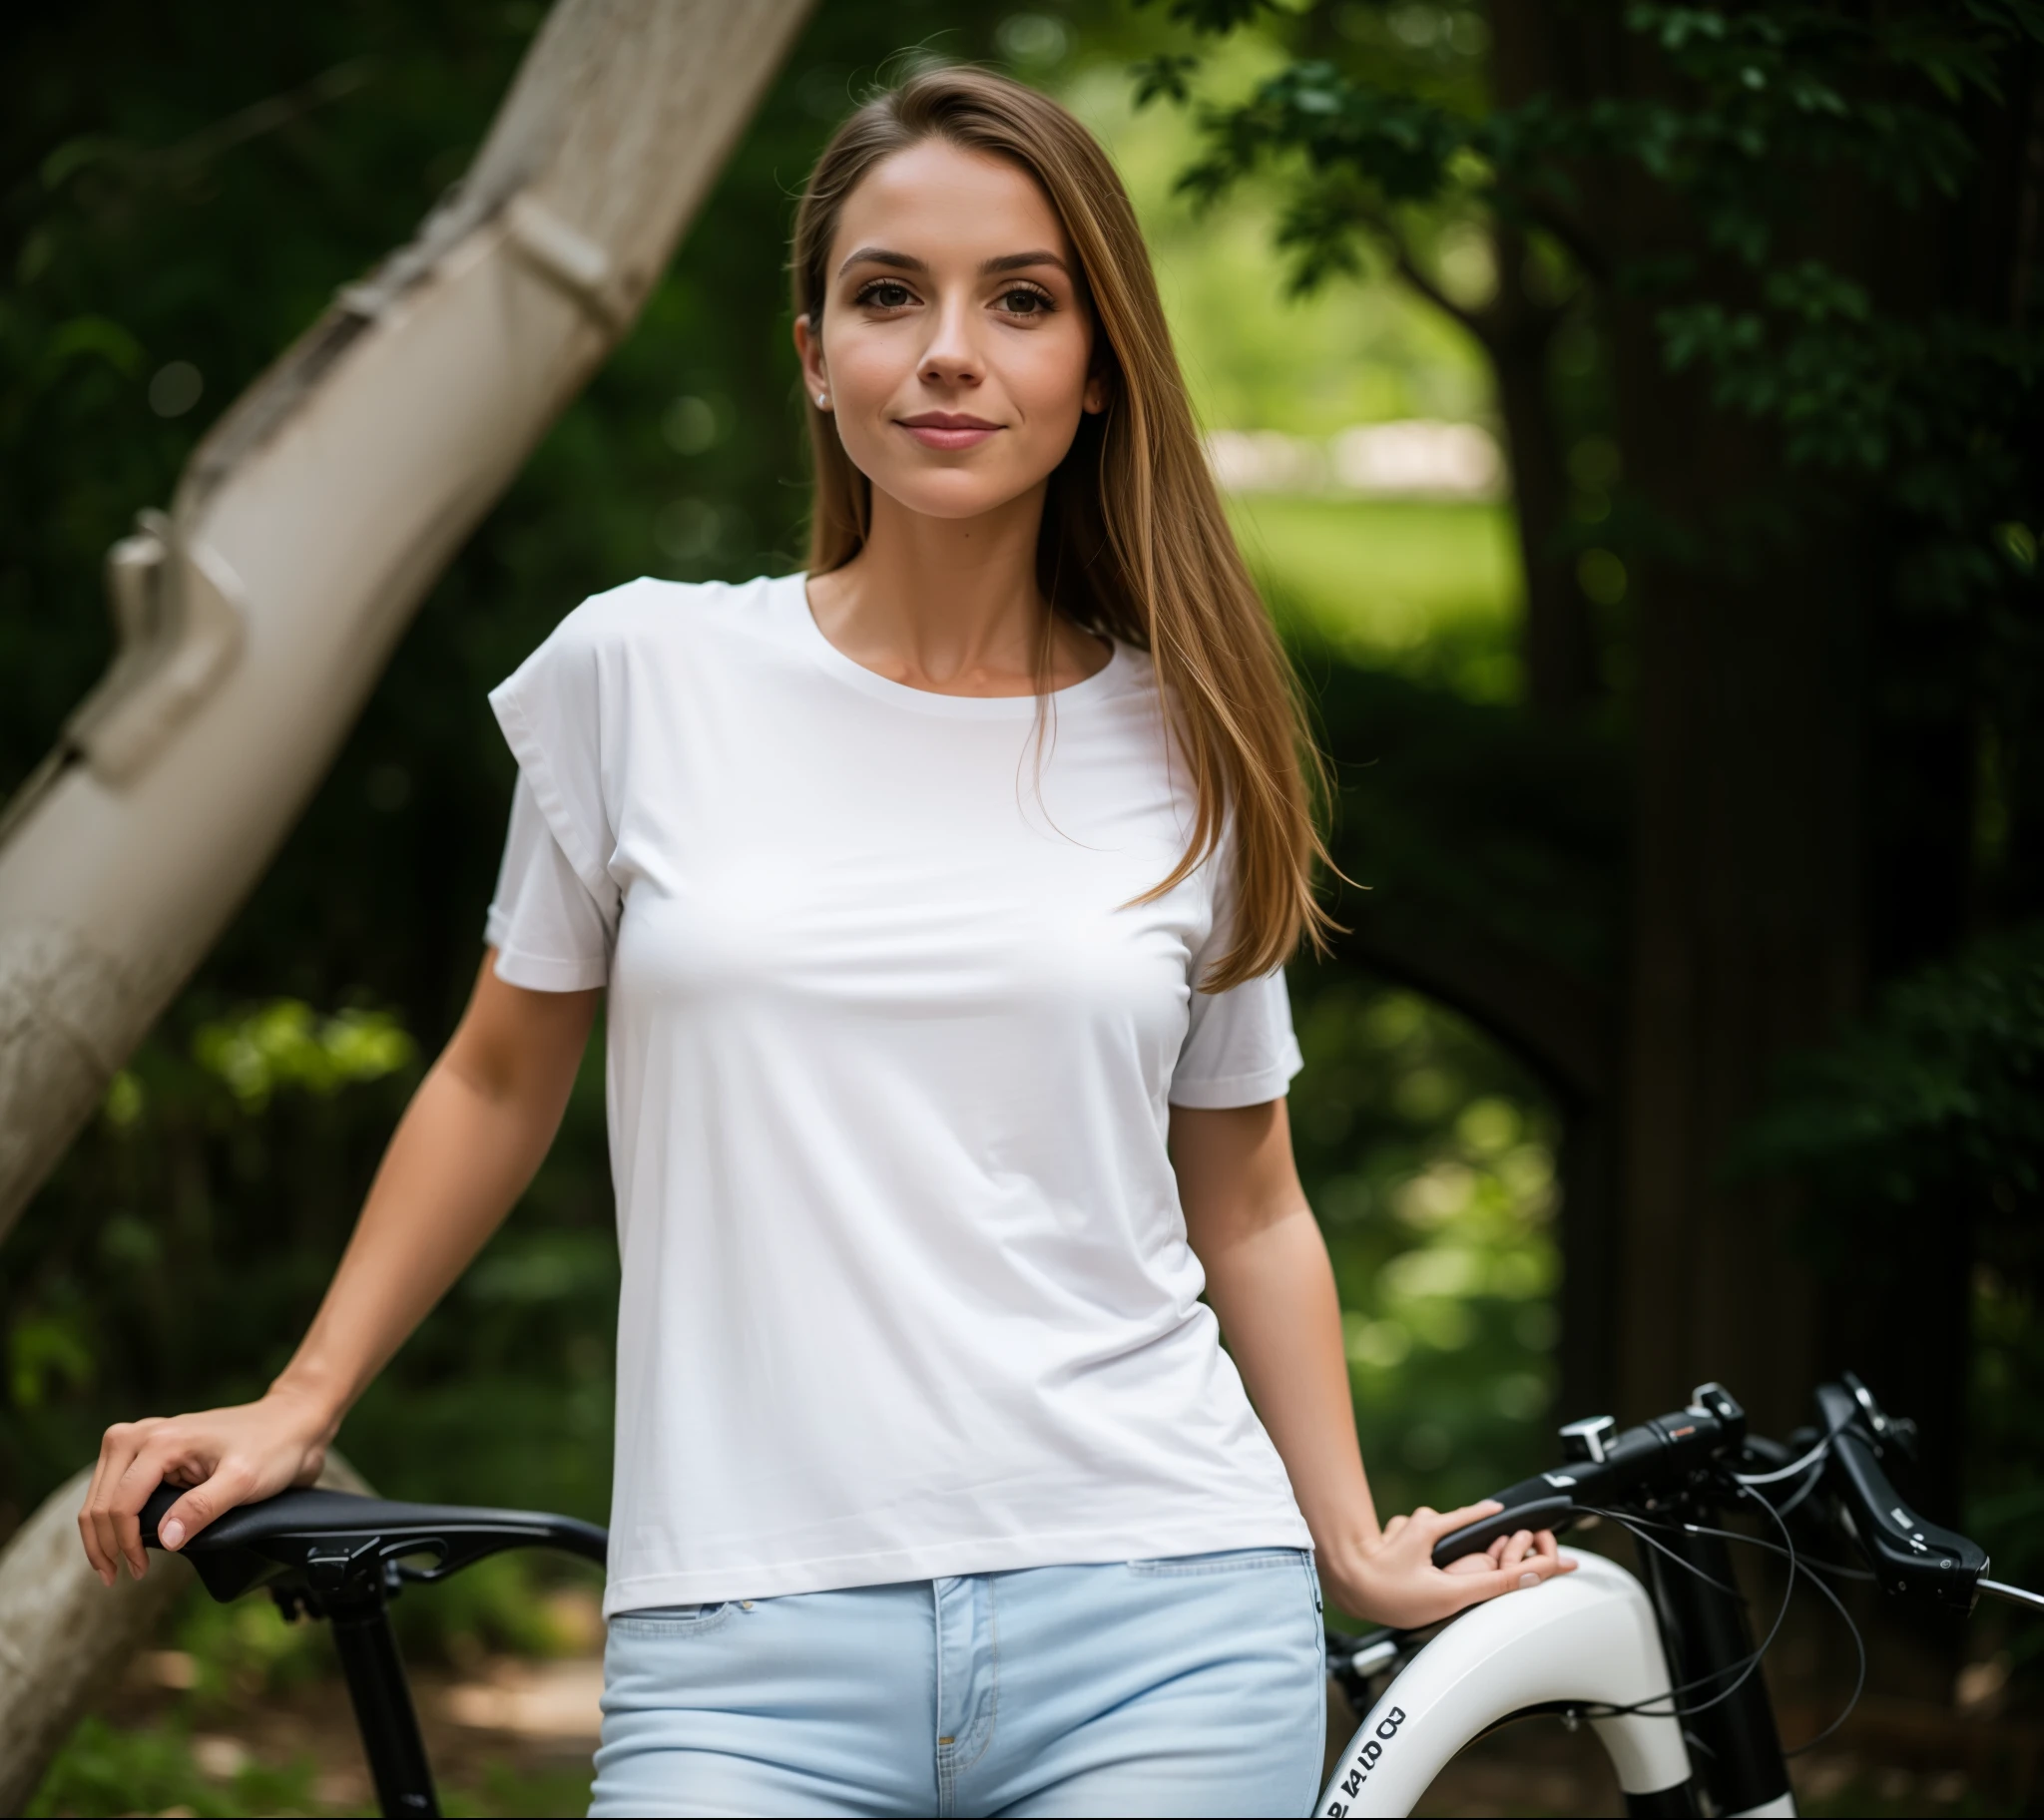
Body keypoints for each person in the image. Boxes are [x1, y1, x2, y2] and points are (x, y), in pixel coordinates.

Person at [78, 65, 1571, 1818]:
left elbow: (1247, 1196)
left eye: (1022, 300)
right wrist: (302, 1397)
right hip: (740, 1651)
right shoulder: (640, 675)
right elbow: (496, 1079)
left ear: (1097, 371)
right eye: (889, 295)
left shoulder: (1196, 744)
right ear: (814, 353)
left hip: (1162, 1611)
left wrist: (1351, 1539)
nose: (951, 350)